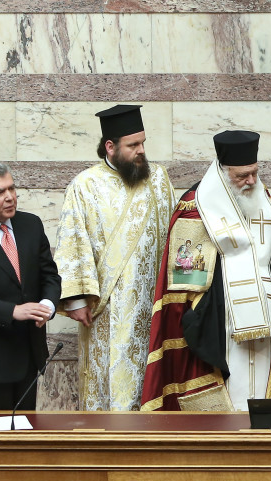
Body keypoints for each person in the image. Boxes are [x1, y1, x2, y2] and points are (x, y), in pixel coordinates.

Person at [140, 130, 271, 411]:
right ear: (224, 172)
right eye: (242, 176)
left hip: (265, 317)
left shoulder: (264, 198)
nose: (251, 181)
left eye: (255, 173)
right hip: (222, 320)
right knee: (235, 391)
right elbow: (186, 277)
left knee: (261, 387)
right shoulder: (195, 205)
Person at [54, 104, 174, 411]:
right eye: (133, 145)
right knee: (109, 389)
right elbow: (72, 241)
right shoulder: (85, 185)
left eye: (143, 143)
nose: (141, 151)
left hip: (151, 306)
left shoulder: (158, 178)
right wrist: (76, 300)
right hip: (106, 311)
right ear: (110, 147)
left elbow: (173, 233)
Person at [0, 163, 61, 410]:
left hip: (29, 356)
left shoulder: (31, 225)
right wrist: (13, 311)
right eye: (0, 192)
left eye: (11, 188)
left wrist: (47, 306)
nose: (10, 197)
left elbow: (50, 276)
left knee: (25, 429)